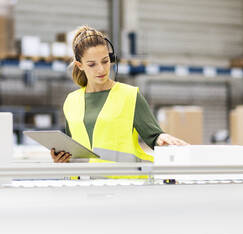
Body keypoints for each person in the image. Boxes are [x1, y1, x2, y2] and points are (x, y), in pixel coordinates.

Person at [51, 25, 188, 165]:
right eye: (92, 64)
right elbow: (72, 150)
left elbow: (154, 137)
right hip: (82, 184)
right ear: (80, 65)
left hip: (122, 182)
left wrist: (162, 139)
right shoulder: (71, 101)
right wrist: (62, 159)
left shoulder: (130, 96)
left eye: (105, 61)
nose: (101, 69)